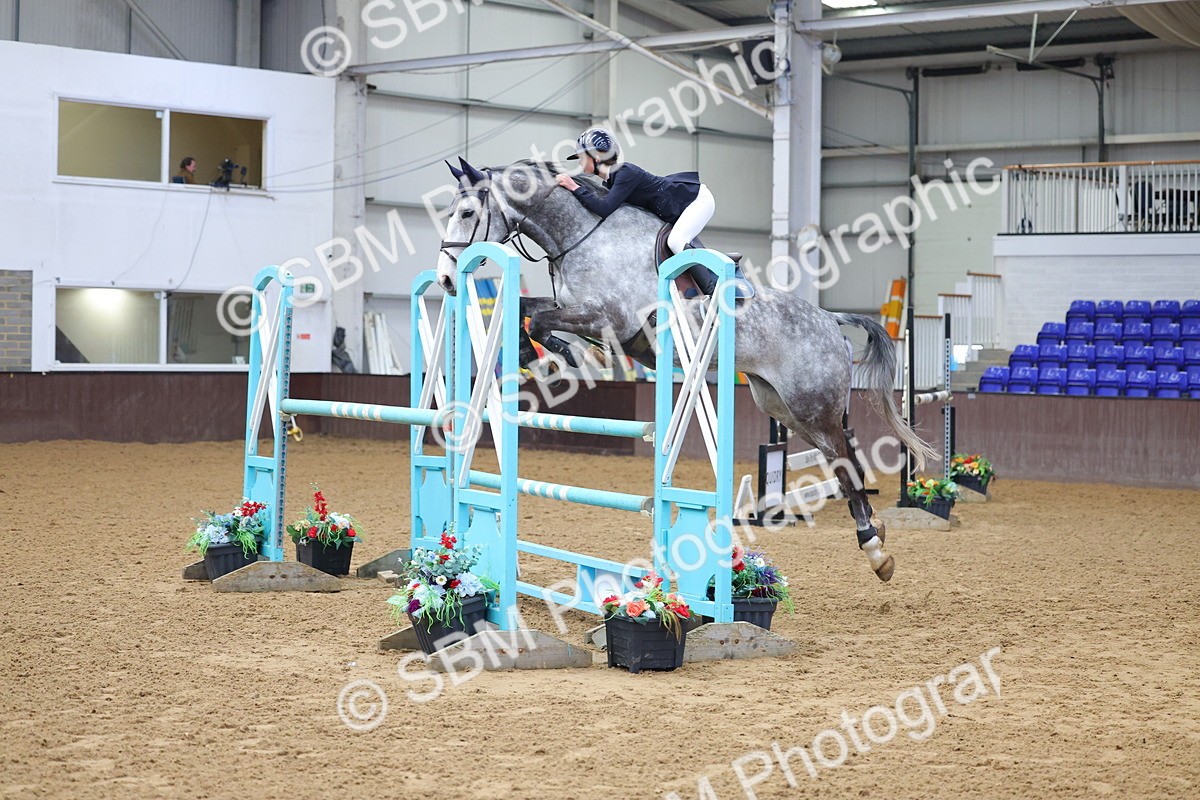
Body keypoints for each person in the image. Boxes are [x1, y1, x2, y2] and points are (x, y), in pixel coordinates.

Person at [555, 128, 752, 299]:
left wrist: (574, 187)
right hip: (679, 207)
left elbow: (603, 209)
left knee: (676, 241)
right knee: (675, 241)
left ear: (597, 156)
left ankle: (712, 292)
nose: (580, 164)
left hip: (697, 200)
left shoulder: (624, 173)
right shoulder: (613, 179)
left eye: (582, 158)